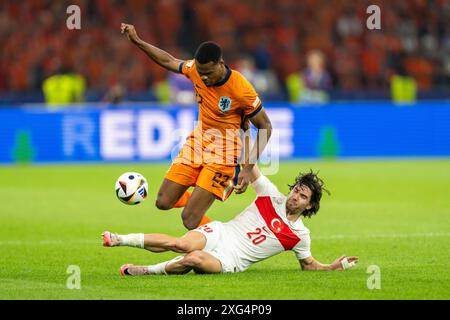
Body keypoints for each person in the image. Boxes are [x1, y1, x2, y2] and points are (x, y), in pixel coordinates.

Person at [120, 23, 273, 230]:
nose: (203, 77)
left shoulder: (240, 88)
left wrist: (247, 168)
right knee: (163, 202)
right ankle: (204, 189)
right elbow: (168, 60)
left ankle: (223, 236)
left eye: (208, 73)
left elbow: (265, 126)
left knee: (189, 219)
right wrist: (137, 41)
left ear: (221, 63)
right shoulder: (195, 69)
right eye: (200, 73)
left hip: (224, 154)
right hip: (198, 143)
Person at [102, 165, 358, 275]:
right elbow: (250, 164)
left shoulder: (300, 236)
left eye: (302, 196)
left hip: (231, 260)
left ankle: (146, 271)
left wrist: (334, 267)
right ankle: (119, 239)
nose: (295, 197)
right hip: (221, 232)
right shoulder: (271, 195)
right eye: (296, 190)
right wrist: (243, 127)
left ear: (309, 205)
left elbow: (309, 265)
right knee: (182, 245)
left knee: (193, 259)